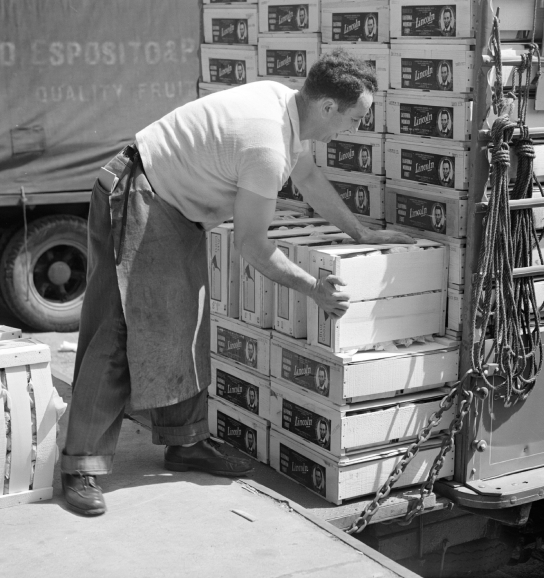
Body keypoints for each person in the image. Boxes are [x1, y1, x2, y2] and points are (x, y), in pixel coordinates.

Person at [60, 49, 414, 516]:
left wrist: (361, 233)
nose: (353, 129)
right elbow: (251, 245)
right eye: (353, 119)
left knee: (186, 322)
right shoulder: (266, 143)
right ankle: (80, 465)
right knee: (123, 327)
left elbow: (306, 177)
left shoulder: (286, 108)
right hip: (139, 193)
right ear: (327, 107)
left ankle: (185, 442)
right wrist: (314, 288)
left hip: (174, 206)